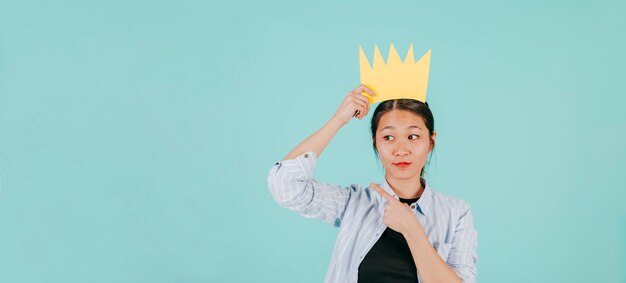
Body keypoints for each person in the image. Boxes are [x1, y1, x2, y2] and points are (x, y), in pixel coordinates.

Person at [267, 84, 478, 283]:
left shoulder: (456, 213)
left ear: (431, 141)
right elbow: (285, 184)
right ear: (374, 142)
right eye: (388, 137)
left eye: (413, 136)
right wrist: (338, 120)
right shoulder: (353, 203)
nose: (401, 149)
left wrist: (412, 229)